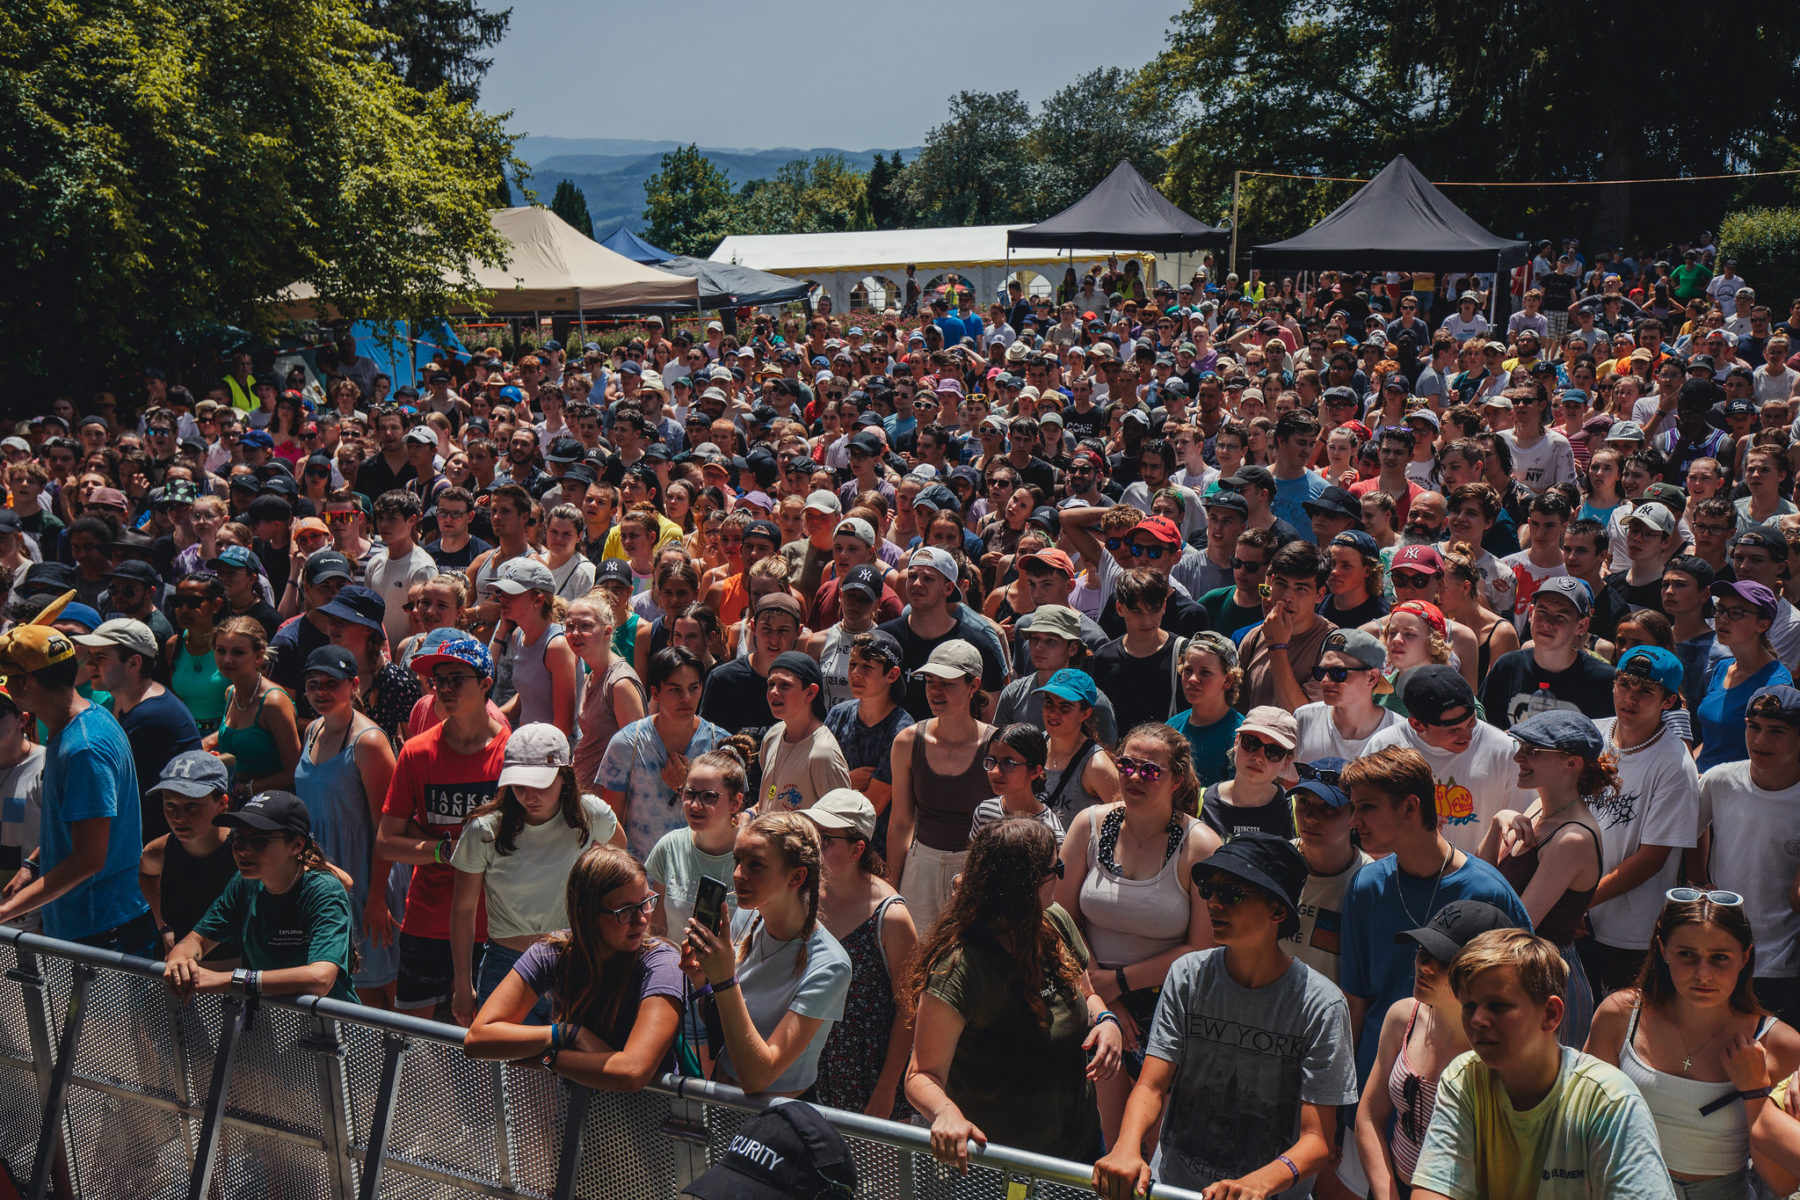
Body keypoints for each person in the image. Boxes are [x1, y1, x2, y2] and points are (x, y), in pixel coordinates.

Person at [1092, 831, 1359, 1200]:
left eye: (1231, 893)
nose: (1214, 903)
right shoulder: (1188, 975)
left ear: (1278, 911)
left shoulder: (1322, 1005)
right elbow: (1152, 1085)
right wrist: (1125, 1146)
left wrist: (1257, 1185)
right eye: (1209, 890)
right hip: (1176, 1189)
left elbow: (1317, 1140)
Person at [906, 818, 1122, 1169]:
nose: (1061, 878)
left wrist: (1106, 1020)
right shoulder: (959, 967)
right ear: (1028, 884)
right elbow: (921, 1074)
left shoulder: (1053, 920)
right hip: (1000, 1166)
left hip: (1079, 1150)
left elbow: (1088, 994)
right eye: (1057, 868)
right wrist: (945, 1113)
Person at [1406, 929, 1676, 1200]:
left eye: (1497, 1006)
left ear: (1550, 1014)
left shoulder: (1608, 1100)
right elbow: (1433, 1190)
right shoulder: (1465, 1076)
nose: (1477, 1020)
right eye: (1469, 1006)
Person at [1056, 721, 1219, 1146]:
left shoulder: (1199, 846)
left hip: (1167, 1006)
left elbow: (1202, 946)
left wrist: (1121, 983)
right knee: (1106, 1139)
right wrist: (1101, 994)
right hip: (1089, 992)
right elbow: (1060, 919)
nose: (1132, 777)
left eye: (1149, 771)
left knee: (1154, 1139)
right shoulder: (1087, 826)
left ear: (1177, 780)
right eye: (1126, 765)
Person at [1585, 891, 1800, 1200]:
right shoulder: (1620, 1015)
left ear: (1745, 956)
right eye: (1687, 954)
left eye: (1720, 958)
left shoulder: (1780, 1044)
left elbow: (1786, 1184)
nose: (1703, 973)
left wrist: (1756, 1094)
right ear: (1663, 949)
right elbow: (1587, 1122)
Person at [1339, 746, 1533, 1081]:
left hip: (1460, 1089)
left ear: (1411, 807)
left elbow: (1524, 1003)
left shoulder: (1489, 893)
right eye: (1354, 808)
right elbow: (1355, 1000)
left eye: (1367, 807)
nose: (1354, 820)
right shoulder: (1366, 886)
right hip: (1374, 1081)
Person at [463, 845, 683, 1093]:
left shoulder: (661, 963)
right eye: (625, 911)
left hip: (650, 1121)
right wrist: (566, 1034)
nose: (641, 919)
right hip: (578, 1116)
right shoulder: (554, 952)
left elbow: (631, 1073)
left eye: (646, 902)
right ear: (585, 912)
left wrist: (547, 1059)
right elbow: (477, 1039)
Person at [450, 723, 624, 1025]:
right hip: (506, 963)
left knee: (571, 1064)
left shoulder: (591, 814)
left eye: (540, 784)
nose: (529, 795)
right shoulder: (484, 830)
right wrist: (463, 985)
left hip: (574, 960)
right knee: (508, 1070)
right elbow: (463, 911)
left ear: (564, 776)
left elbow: (620, 870)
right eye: (519, 786)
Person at [0, 618, 153, 952]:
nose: (5, 685)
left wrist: (5, 911)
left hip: (102, 928)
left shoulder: (84, 748)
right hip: (81, 923)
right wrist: (32, 865)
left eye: (8, 676)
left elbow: (89, 858)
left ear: (26, 683)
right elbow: (70, 825)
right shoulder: (81, 720)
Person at [376, 635, 510, 1015]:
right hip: (427, 919)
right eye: (438, 681)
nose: (445, 689)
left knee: (482, 1045)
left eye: (457, 679)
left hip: (495, 922)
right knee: (415, 1042)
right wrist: (441, 852)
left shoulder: (512, 753)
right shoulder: (416, 752)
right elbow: (387, 841)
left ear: (486, 683)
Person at [1354, 901, 1523, 1200]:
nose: (1425, 965)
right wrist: (1387, 1194)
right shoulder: (1402, 1017)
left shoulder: (1502, 1055)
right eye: (1423, 950)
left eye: (1446, 961)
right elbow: (1369, 1116)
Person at [680, 811, 852, 1097]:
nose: (737, 874)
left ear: (797, 877)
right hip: (724, 1101)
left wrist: (723, 981)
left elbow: (758, 1077)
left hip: (777, 1120)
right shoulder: (745, 919)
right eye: (737, 860)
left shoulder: (830, 966)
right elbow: (724, 1026)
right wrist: (703, 982)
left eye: (755, 865)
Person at [1479, 711, 1608, 1048]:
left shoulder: (1573, 839)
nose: (1518, 756)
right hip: (1512, 971)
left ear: (1571, 764)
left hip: (1546, 985)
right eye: (1522, 746)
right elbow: (1479, 881)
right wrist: (1497, 822)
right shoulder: (1536, 808)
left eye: (1533, 751)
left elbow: (1519, 924)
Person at [163, 789, 359, 1003]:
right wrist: (180, 959)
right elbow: (197, 940)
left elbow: (320, 979)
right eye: (237, 840)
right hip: (271, 1025)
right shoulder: (245, 883)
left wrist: (230, 979)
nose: (243, 851)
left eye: (259, 841)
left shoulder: (323, 890)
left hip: (332, 1027)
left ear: (296, 845)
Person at [1585, 647, 1702, 994]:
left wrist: (1581, 902)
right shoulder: (1591, 734)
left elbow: (1653, 858)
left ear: (1668, 701)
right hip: (1576, 917)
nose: (1630, 698)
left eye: (1645, 691)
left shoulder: (1675, 765)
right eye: (1624, 685)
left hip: (1629, 931)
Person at [293, 644, 404, 1007]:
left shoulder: (369, 742)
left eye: (331, 683)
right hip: (325, 873)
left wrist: (374, 899)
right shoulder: (312, 730)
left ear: (353, 684)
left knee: (379, 993)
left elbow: (385, 829)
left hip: (366, 876)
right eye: (313, 684)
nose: (321, 692)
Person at [803, 789, 919, 1119]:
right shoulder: (805, 895)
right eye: (813, 835)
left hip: (869, 1075)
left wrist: (885, 1091)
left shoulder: (891, 917)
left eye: (826, 840)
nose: (815, 847)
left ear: (857, 849)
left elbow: (909, 1009)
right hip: (810, 1067)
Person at [1696, 686, 1800, 1027]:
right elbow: (1688, 832)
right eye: (1753, 726)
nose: (1760, 739)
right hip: (1717, 955)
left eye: (1777, 731)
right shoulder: (1719, 780)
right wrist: (1699, 880)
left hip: (1781, 963)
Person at [1364, 664, 1536, 855]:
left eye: (1471, 722)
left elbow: (1524, 828)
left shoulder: (1506, 751)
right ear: (1417, 725)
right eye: (1453, 730)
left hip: (1474, 878)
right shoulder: (1384, 747)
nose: (1467, 736)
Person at [886, 639, 995, 935]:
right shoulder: (907, 741)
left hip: (976, 870)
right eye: (930, 681)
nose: (935, 691)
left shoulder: (997, 747)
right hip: (921, 867)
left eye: (947, 683)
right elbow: (900, 822)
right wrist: (891, 890)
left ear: (973, 685)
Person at [76, 617, 203, 843]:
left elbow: (109, 789)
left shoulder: (150, 717)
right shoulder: (129, 703)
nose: (89, 665)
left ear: (134, 663)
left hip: (153, 845)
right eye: (91, 656)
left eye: (101, 657)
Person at [598, 648, 729, 860]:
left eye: (693, 688)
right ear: (656, 692)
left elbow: (731, 820)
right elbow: (611, 825)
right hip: (643, 875)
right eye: (675, 690)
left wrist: (684, 789)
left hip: (701, 870)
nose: (686, 698)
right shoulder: (626, 745)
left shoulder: (720, 745)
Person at [137, 751, 239, 967]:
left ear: (222, 803)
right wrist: (162, 924)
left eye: (192, 805)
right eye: (170, 805)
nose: (179, 818)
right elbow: (146, 874)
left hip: (236, 977)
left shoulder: (245, 851)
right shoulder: (158, 852)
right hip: (180, 978)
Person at [1478, 576, 1617, 730]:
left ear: (1582, 626)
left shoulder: (1605, 680)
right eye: (1542, 612)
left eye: (1560, 616)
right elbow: (1483, 728)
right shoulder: (1507, 667)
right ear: (1530, 613)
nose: (1547, 623)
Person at [821, 630, 914, 842]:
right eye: (853, 664)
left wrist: (835, 783)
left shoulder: (901, 731)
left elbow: (872, 806)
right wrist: (850, 779)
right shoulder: (838, 714)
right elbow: (816, 779)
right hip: (828, 836)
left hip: (874, 846)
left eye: (867, 667)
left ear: (892, 675)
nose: (855, 673)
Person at [1285, 761, 1373, 983]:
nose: (1311, 817)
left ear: (1354, 816)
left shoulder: (1370, 882)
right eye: (1303, 802)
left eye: (1328, 806)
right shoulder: (1274, 862)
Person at [647, 746, 748, 939]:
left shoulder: (753, 857)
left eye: (709, 796)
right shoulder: (669, 847)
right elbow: (657, 928)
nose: (694, 805)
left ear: (735, 803)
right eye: (689, 794)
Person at [1698, 579, 1792, 771]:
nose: (1722, 619)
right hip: (1701, 782)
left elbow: (1771, 757)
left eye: (1736, 613)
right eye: (1720, 609)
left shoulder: (1776, 685)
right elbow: (1712, 740)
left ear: (1762, 624)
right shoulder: (1722, 668)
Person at [208, 616, 302, 795]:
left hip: (269, 805)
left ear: (259, 656)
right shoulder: (232, 693)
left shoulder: (273, 703)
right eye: (221, 650)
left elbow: (293, 772)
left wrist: (248, 789)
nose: (226, 660)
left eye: (237, 653)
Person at [486, 559, 578, 740]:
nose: (502, 598)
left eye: (512, 593)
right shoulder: (518, 636)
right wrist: (486, 717)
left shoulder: (558, 647)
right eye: (501, 592)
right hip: (527, 746)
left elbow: (563, 727)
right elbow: (527, 697)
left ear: (538, 600)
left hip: (553, 755)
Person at [758, 652, 850, 813]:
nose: (773, 692)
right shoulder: (772, 736)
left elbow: (841, 821)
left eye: (784, 685)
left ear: (810, 693)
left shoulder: (823, 754)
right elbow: (770, 797)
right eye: (770, 684)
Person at [1295, 628, 1402, 760]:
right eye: (1320, 672)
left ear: (1372, 678)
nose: (1324, 680)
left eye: (1338, 673)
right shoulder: (1303, 718)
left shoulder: (1399, 733)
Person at [1166, 632, 1245, 788]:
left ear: (1228, 680)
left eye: (1205, 672)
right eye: (1188, 670)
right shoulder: (1171, 727)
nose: (1193, 679)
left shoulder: (1241, 737)